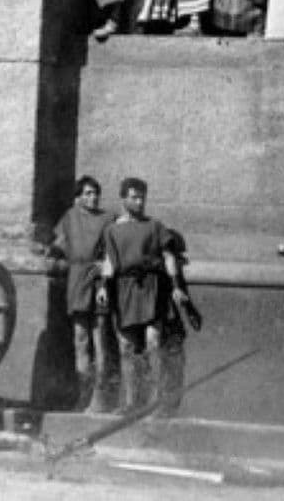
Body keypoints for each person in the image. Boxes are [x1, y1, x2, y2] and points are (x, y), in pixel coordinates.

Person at [97, 177, 190, 415]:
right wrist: (103, 287)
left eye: (142, 198)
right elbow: (109, 261)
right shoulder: (112, 230)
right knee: (126, 346)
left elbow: (169, 257)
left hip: (151, 287)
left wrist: (176, 286)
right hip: (124, 289)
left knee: (153, 342)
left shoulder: (155, 226)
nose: (139, 202)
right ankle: (130, 402)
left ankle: (154, 400)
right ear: (123, 199)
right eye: (134, 198)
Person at [50, 176, 118, 413]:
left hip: (98, 280)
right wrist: (53, 257)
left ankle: (100, 398)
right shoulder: (70, 217)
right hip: (77, 280)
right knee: (80, 339)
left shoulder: (108, 218)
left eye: (96, 193)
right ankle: (83, 394)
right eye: (88, 193)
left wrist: (105, 272)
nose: (93, 197)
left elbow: (113, 250)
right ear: (78, 197)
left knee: (100, 339)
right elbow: (58, 244)